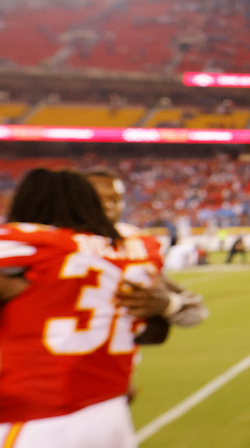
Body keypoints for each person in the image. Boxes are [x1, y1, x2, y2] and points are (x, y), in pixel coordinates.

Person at [0, 169, 164, 448]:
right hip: (110, 409)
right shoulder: (133, 249)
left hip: (37, 414)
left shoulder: (39, 245)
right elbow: (158, 327)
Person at [83, 170, 208, 330]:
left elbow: (195, 311)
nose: (108, 205)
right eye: (98, 198)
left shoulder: (135, 243)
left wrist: (168, 305)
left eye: (115, 199)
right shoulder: (47, 240)